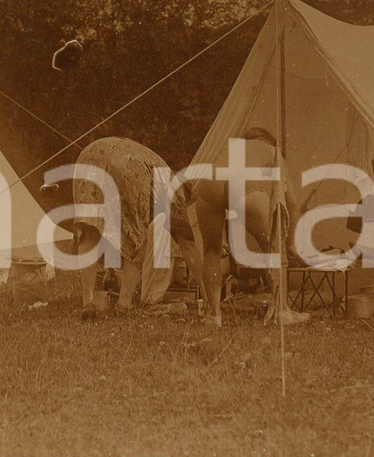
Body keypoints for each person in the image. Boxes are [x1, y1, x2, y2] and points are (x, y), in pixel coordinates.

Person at [70, 137, 203, 320]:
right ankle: (124, 305)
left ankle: (89, 303)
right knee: (138, 237)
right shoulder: (178, 191)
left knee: (90, 228)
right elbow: (188, 244)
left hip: (89, 155)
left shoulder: (161, 169)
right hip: (129, 165)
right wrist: (208, 294)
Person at [194, 127, 310, 328]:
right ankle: (282, 311)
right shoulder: (273, 152)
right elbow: (292, 202)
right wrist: (291, 244)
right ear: (269, 141)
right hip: (245, 185)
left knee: (211, 251)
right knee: (275, 250)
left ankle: (213, 314)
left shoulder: (232, 148)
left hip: (208, 183)